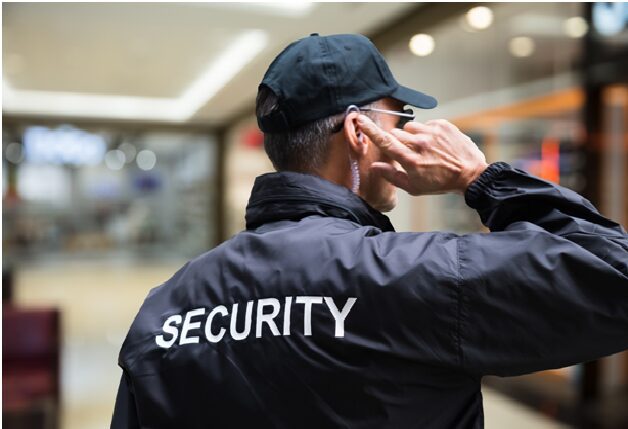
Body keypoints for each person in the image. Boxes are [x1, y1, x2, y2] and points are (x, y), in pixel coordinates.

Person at [111, 33, 628, 429]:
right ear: (361, 133)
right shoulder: (417, 276)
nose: (406, 132)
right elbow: (615, 274)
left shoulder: (167, 307)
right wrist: (480, 179)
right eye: (399, 118)